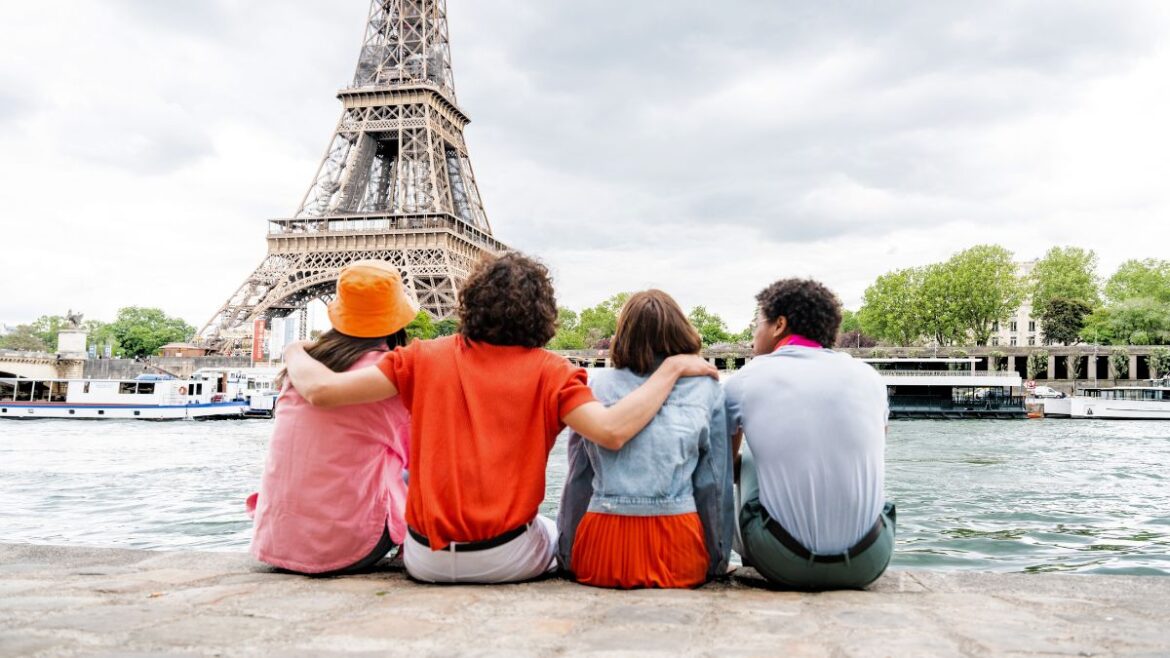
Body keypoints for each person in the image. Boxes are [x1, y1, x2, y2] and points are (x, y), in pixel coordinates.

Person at [284, 252, 718, 584]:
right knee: (548, 528)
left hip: (424, 559)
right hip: (504, 558)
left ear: (470, 300)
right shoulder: (553, 372)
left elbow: (321, 392)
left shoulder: (420, 358)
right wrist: (672, 368)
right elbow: (612, 432)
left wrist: (293, 352)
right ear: (544, 312)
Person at [248, 260, 418, 576]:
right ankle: (420, 551)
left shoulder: (304, 366)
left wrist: (293, 350)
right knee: (418, 474)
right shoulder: (389, 371)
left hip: (277, 542)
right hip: (347, 548)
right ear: (397, 318)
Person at [725, 278, 895, 590]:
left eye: (756, 325)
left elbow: (720, 468)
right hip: (870, 558)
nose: (752, 336)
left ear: (779, 325)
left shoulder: (745, 380)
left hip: (781, 560)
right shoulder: (869, 377)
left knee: (750, 453)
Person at [557, 290, 734, 589]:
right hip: (678, 551)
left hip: (602, 551)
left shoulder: (597, 385)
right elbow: (714, 486)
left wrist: (567, 554)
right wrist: (717, 559)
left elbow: (578, 479)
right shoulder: (708, 389)